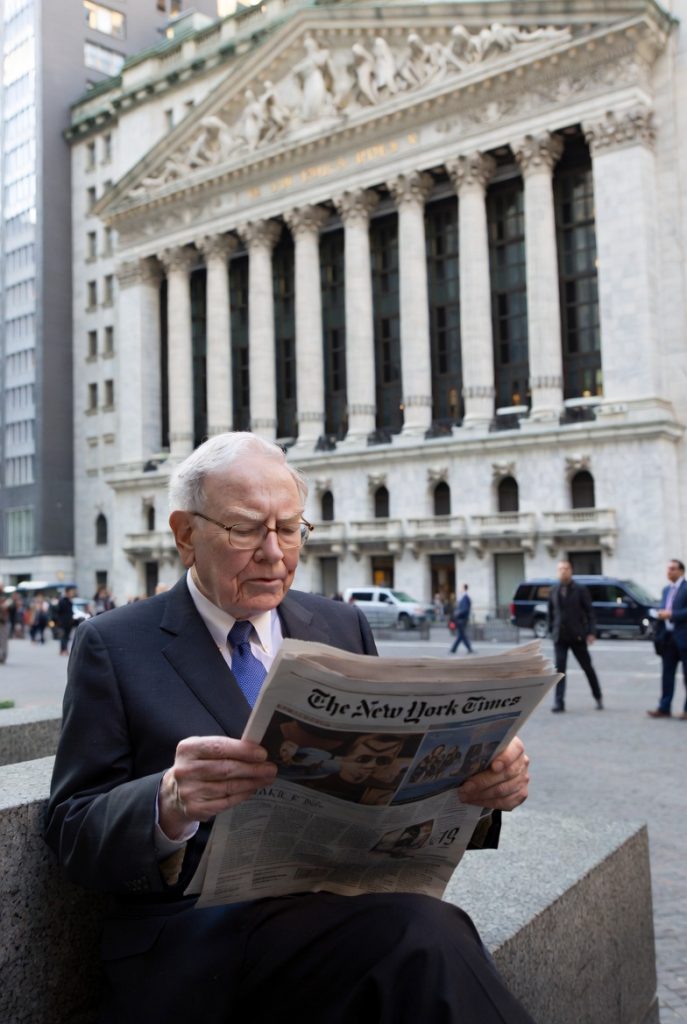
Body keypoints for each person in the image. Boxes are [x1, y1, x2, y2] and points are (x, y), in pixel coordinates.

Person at [46, 432, 535, 1024]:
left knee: (419, 935)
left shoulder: (342, 626)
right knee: (422, 935)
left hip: (344, 914)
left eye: (289, 528)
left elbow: (393, 778)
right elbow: (71, 826)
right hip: (199, 939)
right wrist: (168, 801)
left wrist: (481, 790)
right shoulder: (113, 643)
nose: (274, 553)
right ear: (185, 533)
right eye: (246, 529)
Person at [548, 560, 603, 712]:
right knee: (559, 671)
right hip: (560, 637)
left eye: (566, 568)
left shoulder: (580, 589)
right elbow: (551, 613)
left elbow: (590, 612)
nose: (563, 571)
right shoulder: (553, 590)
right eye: (560, 569)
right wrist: (551, 631)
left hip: (577, 636)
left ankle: (598, 696)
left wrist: (591, 632)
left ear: (571, 570)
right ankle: (559, 702)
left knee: (587, 667)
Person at [648, 558, 687, 719]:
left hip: (684, 637)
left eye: (672, 569)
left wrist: (671, 614)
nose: (669, 572)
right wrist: (659, 613)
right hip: (668, 638)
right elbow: (664, 608)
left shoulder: (685, 588)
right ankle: (664, 707)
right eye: (668, 569)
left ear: (681, 571)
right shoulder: (666, 590)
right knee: (667, 675)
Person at [449, 583, 474, 654]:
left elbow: (464, 609)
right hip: (461, 619)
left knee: (461, 635)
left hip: (462, 619)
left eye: (461, 588)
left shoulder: (465, 598)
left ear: (464, 588)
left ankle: (454, 649)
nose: (460, 589)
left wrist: (457, 613)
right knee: (461, 635)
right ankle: (455, 649)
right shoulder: (463, 597)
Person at [54, 586, 77, 656]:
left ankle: (65, 649)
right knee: (63, 636)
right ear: (67, 592)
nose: (72, 594)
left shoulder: (70, 601)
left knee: (67, 636)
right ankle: (62, 650)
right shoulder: (62, 601)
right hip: (62, 622)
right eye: (71, 592)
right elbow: (58, 611)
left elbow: (71, 611)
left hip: (69, 622)